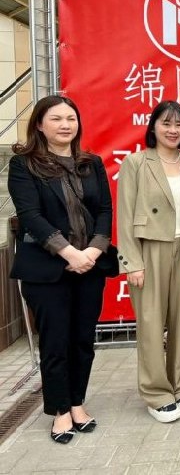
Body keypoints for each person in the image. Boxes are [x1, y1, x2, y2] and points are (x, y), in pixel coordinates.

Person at [9, 95, 115, 443]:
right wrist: (69, 253)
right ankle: (59, 411)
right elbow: (31, 216)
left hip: (90, 266)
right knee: (55, 342)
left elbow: (104, 210)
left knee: (83, 339)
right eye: (56, 119)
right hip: (47, 270)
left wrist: (93, 251)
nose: (65, 125)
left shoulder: (91, 163)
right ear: (40, 125)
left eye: (71, 118)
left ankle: (78, 402)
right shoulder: (24, 164)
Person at [117, 101, 180, 422]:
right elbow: (124, 215)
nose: (173, 130)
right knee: (151, 324)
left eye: (179, 124)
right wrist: (131, 262)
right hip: (149, 249)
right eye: (166, 123)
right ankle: (156, 392)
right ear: (153, 127)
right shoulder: (136, 162)